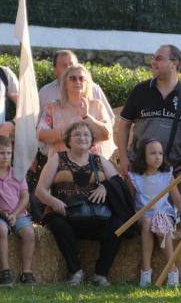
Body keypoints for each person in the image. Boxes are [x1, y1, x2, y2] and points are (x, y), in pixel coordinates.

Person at [35, 122, 122, 286]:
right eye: (77, 134)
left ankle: (101, 274)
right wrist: (54, 202)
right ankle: (76, 272)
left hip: (97, 216)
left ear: (92, 141)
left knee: (118, 226)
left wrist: (106, 187)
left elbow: (118, 182)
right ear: (68, 139)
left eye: (86, 135)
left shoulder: (99, 160)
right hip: (67, 215)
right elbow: (40, 190)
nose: (82, 138)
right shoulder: (57, 159)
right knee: (57, 223)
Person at [117, 45, 181, 175]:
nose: (153, 62)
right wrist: (123, 158)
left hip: (172, 172)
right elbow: (124, 126)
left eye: (158, 58)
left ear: (174, 63)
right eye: (153, 58)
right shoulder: (140, 90)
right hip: (138, 169)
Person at [127, 138, 181, 287]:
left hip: (164, 214)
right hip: (142, 216)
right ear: (143, 156)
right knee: (149, 221)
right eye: (153, 153)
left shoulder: (167, 175)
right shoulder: (134, 177)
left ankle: (172, 269)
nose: (157, 157)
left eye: (160, 153)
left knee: (160, 222)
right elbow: (129, 201)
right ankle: (146, 270)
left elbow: (178, 201)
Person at [0, 135, 36, 285]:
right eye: (1, 153)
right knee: (0, 229)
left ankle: (27, 272)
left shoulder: (18, 173)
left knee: (29, 233)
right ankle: (5, 270)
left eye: (9, 153)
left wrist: (15, 214)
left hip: (19, 214)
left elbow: (25, 197)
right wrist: (1, 213)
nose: (6, 157)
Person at [37, 64, 115, 159]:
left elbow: (107, 134)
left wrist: (87, 117)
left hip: (92, 166)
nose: (77, 81)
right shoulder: (53, 107)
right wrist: (67, 130)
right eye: (73, 78)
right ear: (65, 83)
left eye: (81, 78)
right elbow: (41, 135)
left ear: (87, 83)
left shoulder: (97, 106)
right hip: (60, 167)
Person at [38, 50, 113, 118]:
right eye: (64, 65)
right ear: (55, 70)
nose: (68, 68)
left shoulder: (94, 89)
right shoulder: (45, 92)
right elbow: (38, 125)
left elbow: (109, 120)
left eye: (71, 64)